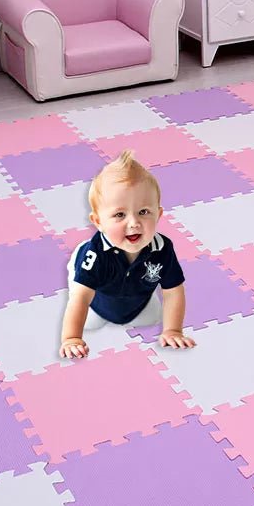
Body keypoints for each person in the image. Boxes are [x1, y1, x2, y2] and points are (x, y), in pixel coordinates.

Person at [59, 149, 196, 360]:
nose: (134, 223)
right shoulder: (95, 255)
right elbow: (81, 298)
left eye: (143, 212)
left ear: (158, 214)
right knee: (88, 321)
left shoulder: (163, 248)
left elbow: (173, 291)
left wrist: (173, 330)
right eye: (120, 214)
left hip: (137, 299)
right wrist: (71, 338)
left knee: (153, 318)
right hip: (97, 303)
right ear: (98, 222)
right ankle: (76, 269)